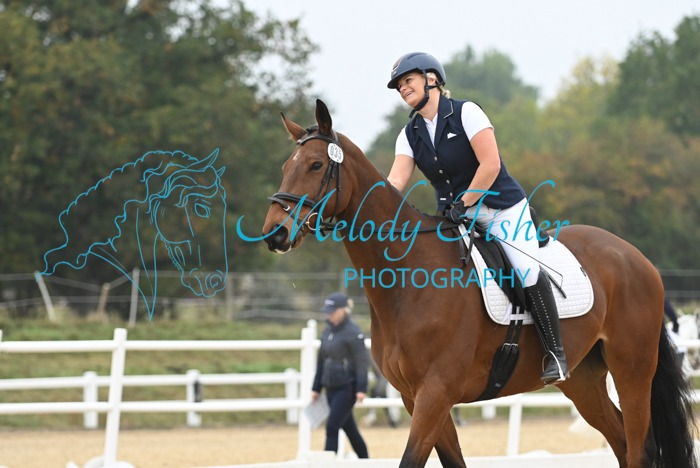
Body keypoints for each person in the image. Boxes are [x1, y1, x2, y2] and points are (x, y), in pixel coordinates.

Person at [385, 52, 569, 384]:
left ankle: (556, 353)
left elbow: (490, 164)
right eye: (399, 86)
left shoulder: (466, 112)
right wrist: (370, 205)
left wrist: (466, 201)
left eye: (407, 80)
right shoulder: (409, 134)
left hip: (501, 209)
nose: (403, 88)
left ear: (431, 79)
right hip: (455, 218)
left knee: (524, 268)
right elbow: (396, 180)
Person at [311, 292, 370, 457]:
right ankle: (366, 461)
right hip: (330, 387)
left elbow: (361, 362)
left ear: (343, 310)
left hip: (347, 388)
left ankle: (327, 464)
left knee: (332, 426)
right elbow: (321, 360)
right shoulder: (327, 332)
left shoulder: (354, 332)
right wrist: (316, 387)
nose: (329, 315)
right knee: (350, 429)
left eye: (333, 311)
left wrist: (361, 388)